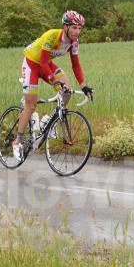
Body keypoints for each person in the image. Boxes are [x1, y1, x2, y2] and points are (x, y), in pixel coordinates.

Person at [12, 10, 94, 161]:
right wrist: (54, 82)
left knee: (67, 89)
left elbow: (76, 65)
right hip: (32, 64)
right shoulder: (52, 36)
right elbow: (42, 63)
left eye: (80, 28)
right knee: (31, 106)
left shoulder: (74, 43)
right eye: (74, 28)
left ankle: (48, 121)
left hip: (47, 64)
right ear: (65, 26)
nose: (77, 32)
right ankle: (17, 141)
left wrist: (84, 86)